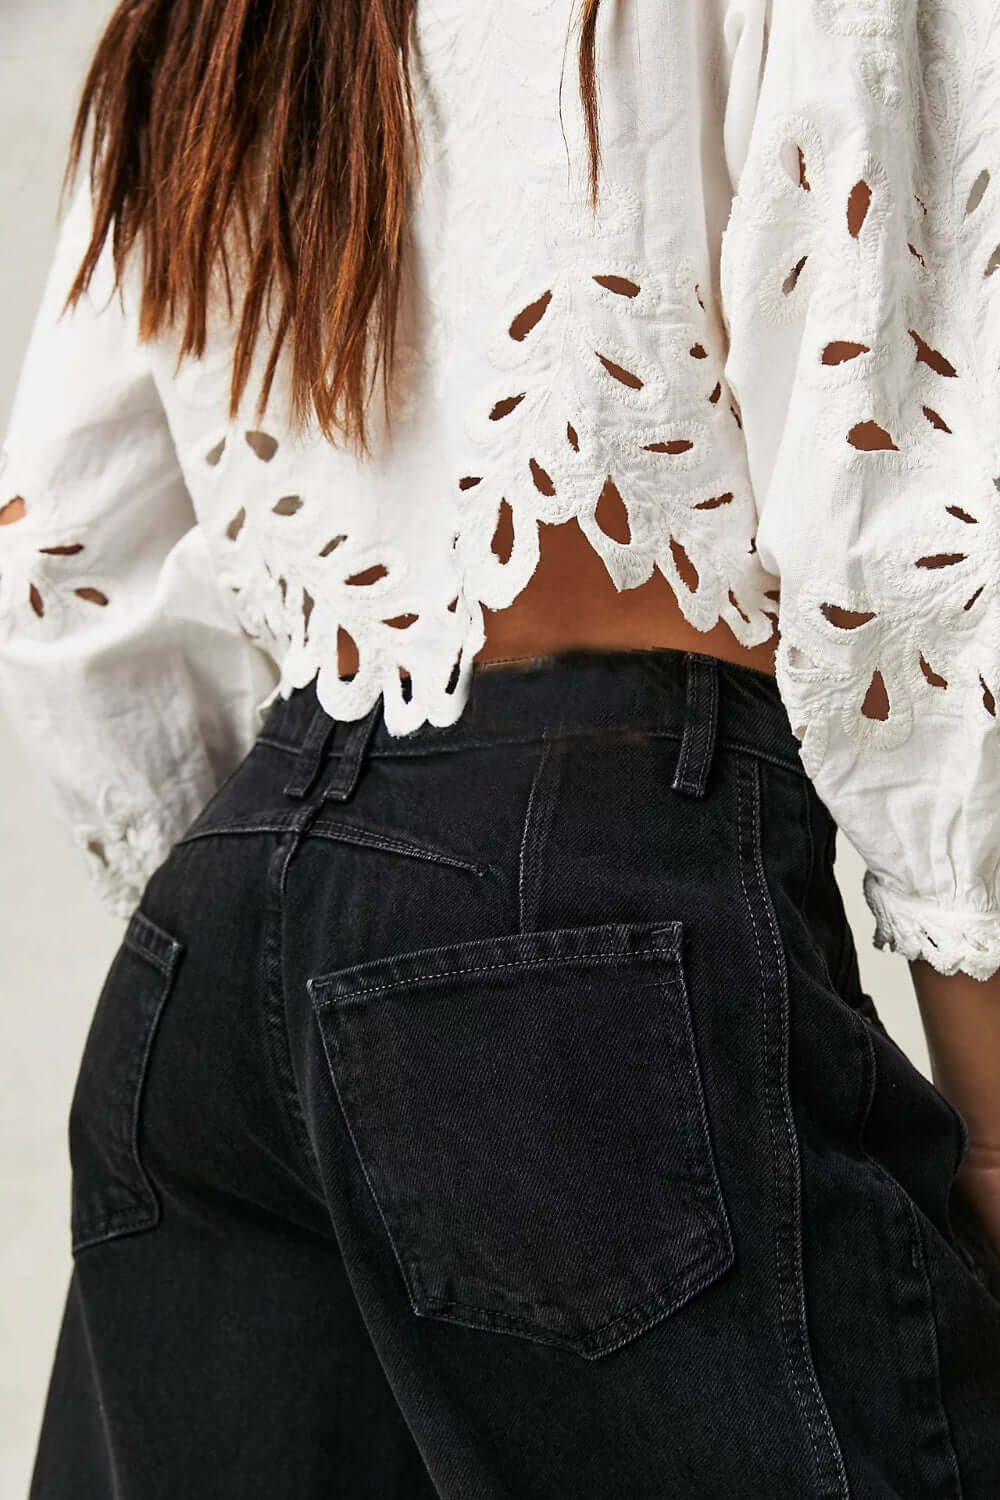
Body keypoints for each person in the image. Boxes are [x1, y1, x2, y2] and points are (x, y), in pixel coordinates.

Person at [4, 1, 999, 1495]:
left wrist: (315, 951)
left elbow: (65, 560)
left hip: (216, 957)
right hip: (577, 908)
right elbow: (908, 516)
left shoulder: (201, 22)